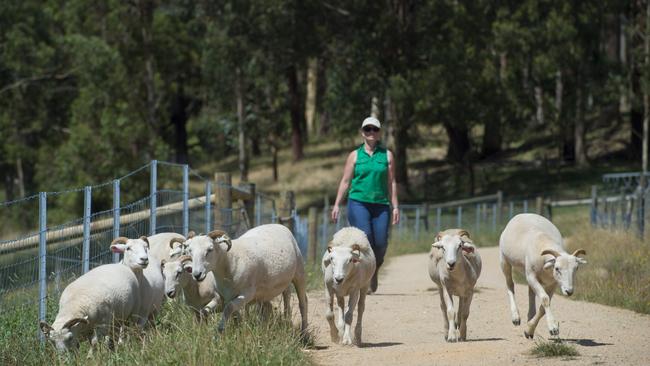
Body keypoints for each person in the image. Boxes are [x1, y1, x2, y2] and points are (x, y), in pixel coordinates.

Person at [331, 116, 399, 294]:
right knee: (365, 238)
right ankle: (361, 280)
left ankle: (373, 270)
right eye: (367, 129)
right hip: (358, 203)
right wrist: (337, 204)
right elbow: (345, 181)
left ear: (379, 134)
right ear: (362, 133)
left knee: (381, 243)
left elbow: (392, 182)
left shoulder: (387, 155)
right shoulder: (354, 155)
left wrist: (395, 206)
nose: (371, 132)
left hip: (381, 205)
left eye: (374, 130)